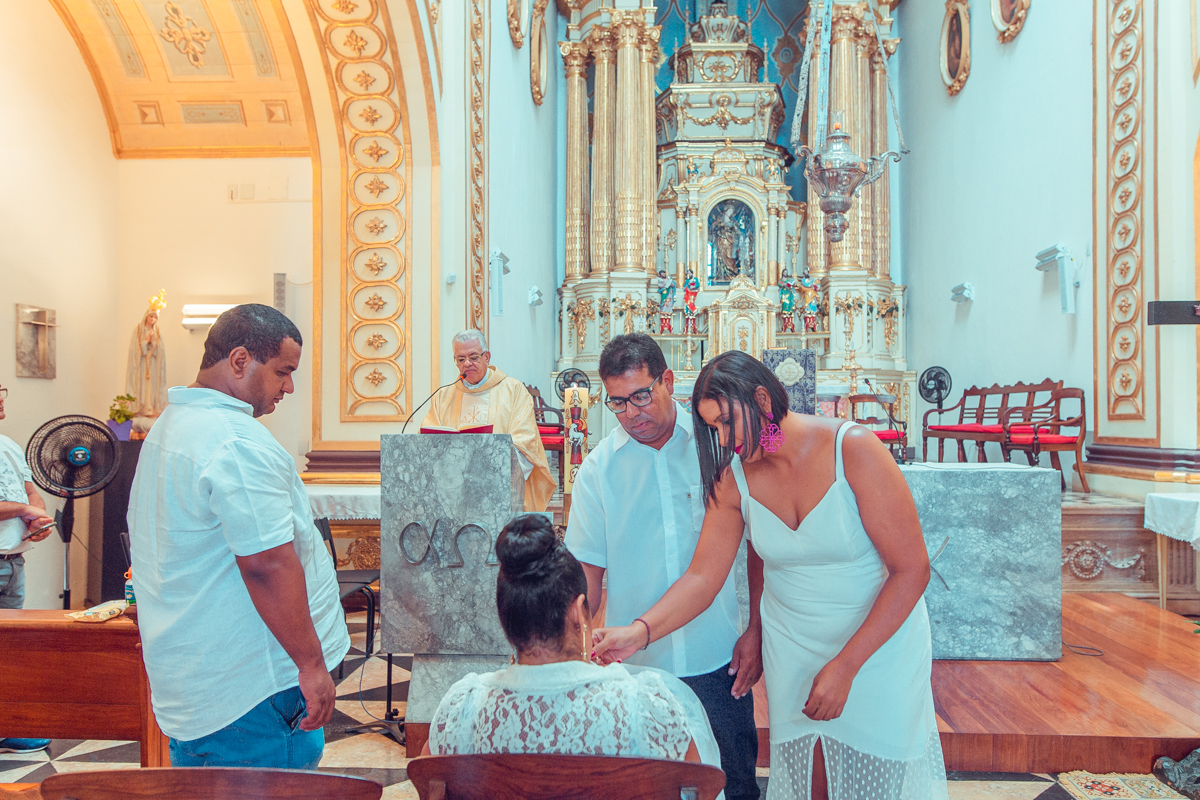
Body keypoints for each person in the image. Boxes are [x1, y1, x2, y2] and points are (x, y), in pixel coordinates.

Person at [593, 351, 947, 800]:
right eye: (712, 428)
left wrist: (846, 666)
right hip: (794, 645)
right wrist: (638, 633)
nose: (723, 438)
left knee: (875, 775)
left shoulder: (852, 448)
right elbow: (702, 577)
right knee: (809, 778)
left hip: (876, 643)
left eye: (725, 421)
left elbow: (911, 569)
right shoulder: (732, 477)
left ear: (762, 398)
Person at [128, 304, 349, 769]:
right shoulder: (234, 440)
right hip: (252, 687)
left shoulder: (173, 425)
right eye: (283, 372)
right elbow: (266, 563)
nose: (289, 386)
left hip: (199, 677)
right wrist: (312, 666)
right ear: (240, 360)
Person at [565, 334, 762, 800]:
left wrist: (755, 630)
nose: (632, 413)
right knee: (646, 787)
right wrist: (574, 650)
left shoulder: (719, 443)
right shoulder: (598, 470)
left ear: (668, 380)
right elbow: (587, 576)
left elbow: (760, 545)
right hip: (637, 666)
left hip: (717, 654)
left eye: (641, 395)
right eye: (618, 403)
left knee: (735, 784)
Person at [428, 514, 721, 773]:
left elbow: (431, 787)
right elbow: (694, 788)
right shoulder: (645, 708)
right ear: (579, 612)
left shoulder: (461, 710)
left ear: (506, 614)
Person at [421, 329, 556, 512]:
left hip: (500, 490)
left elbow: (525, 441)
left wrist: (487, 472)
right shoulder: (444, 396)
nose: (467, 363)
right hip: (453, 492)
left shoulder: (513, 390)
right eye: (461, 359)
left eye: (473, 357)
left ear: (487, 357)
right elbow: (429, 443)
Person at [0, 381, 55, 755]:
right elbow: (20, 504)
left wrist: (37, 519)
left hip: (12, 561)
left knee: (9, 651)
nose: (3, 403)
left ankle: (7, 728)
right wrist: (23, 511)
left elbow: (29, 491)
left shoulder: (9, 446)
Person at [127, 289, 168, 438]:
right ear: (146, 316)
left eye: (155, 317)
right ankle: (140, 410)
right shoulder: (138, 330)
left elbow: (161, 352)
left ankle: (152, 410)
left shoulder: (157, 332)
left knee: (152, 390)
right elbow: (135, 350)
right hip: (141, 367)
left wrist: (154, 343)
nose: (153, 320)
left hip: (154, 368)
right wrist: (146, 343)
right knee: (142, 390)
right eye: (151, 317)